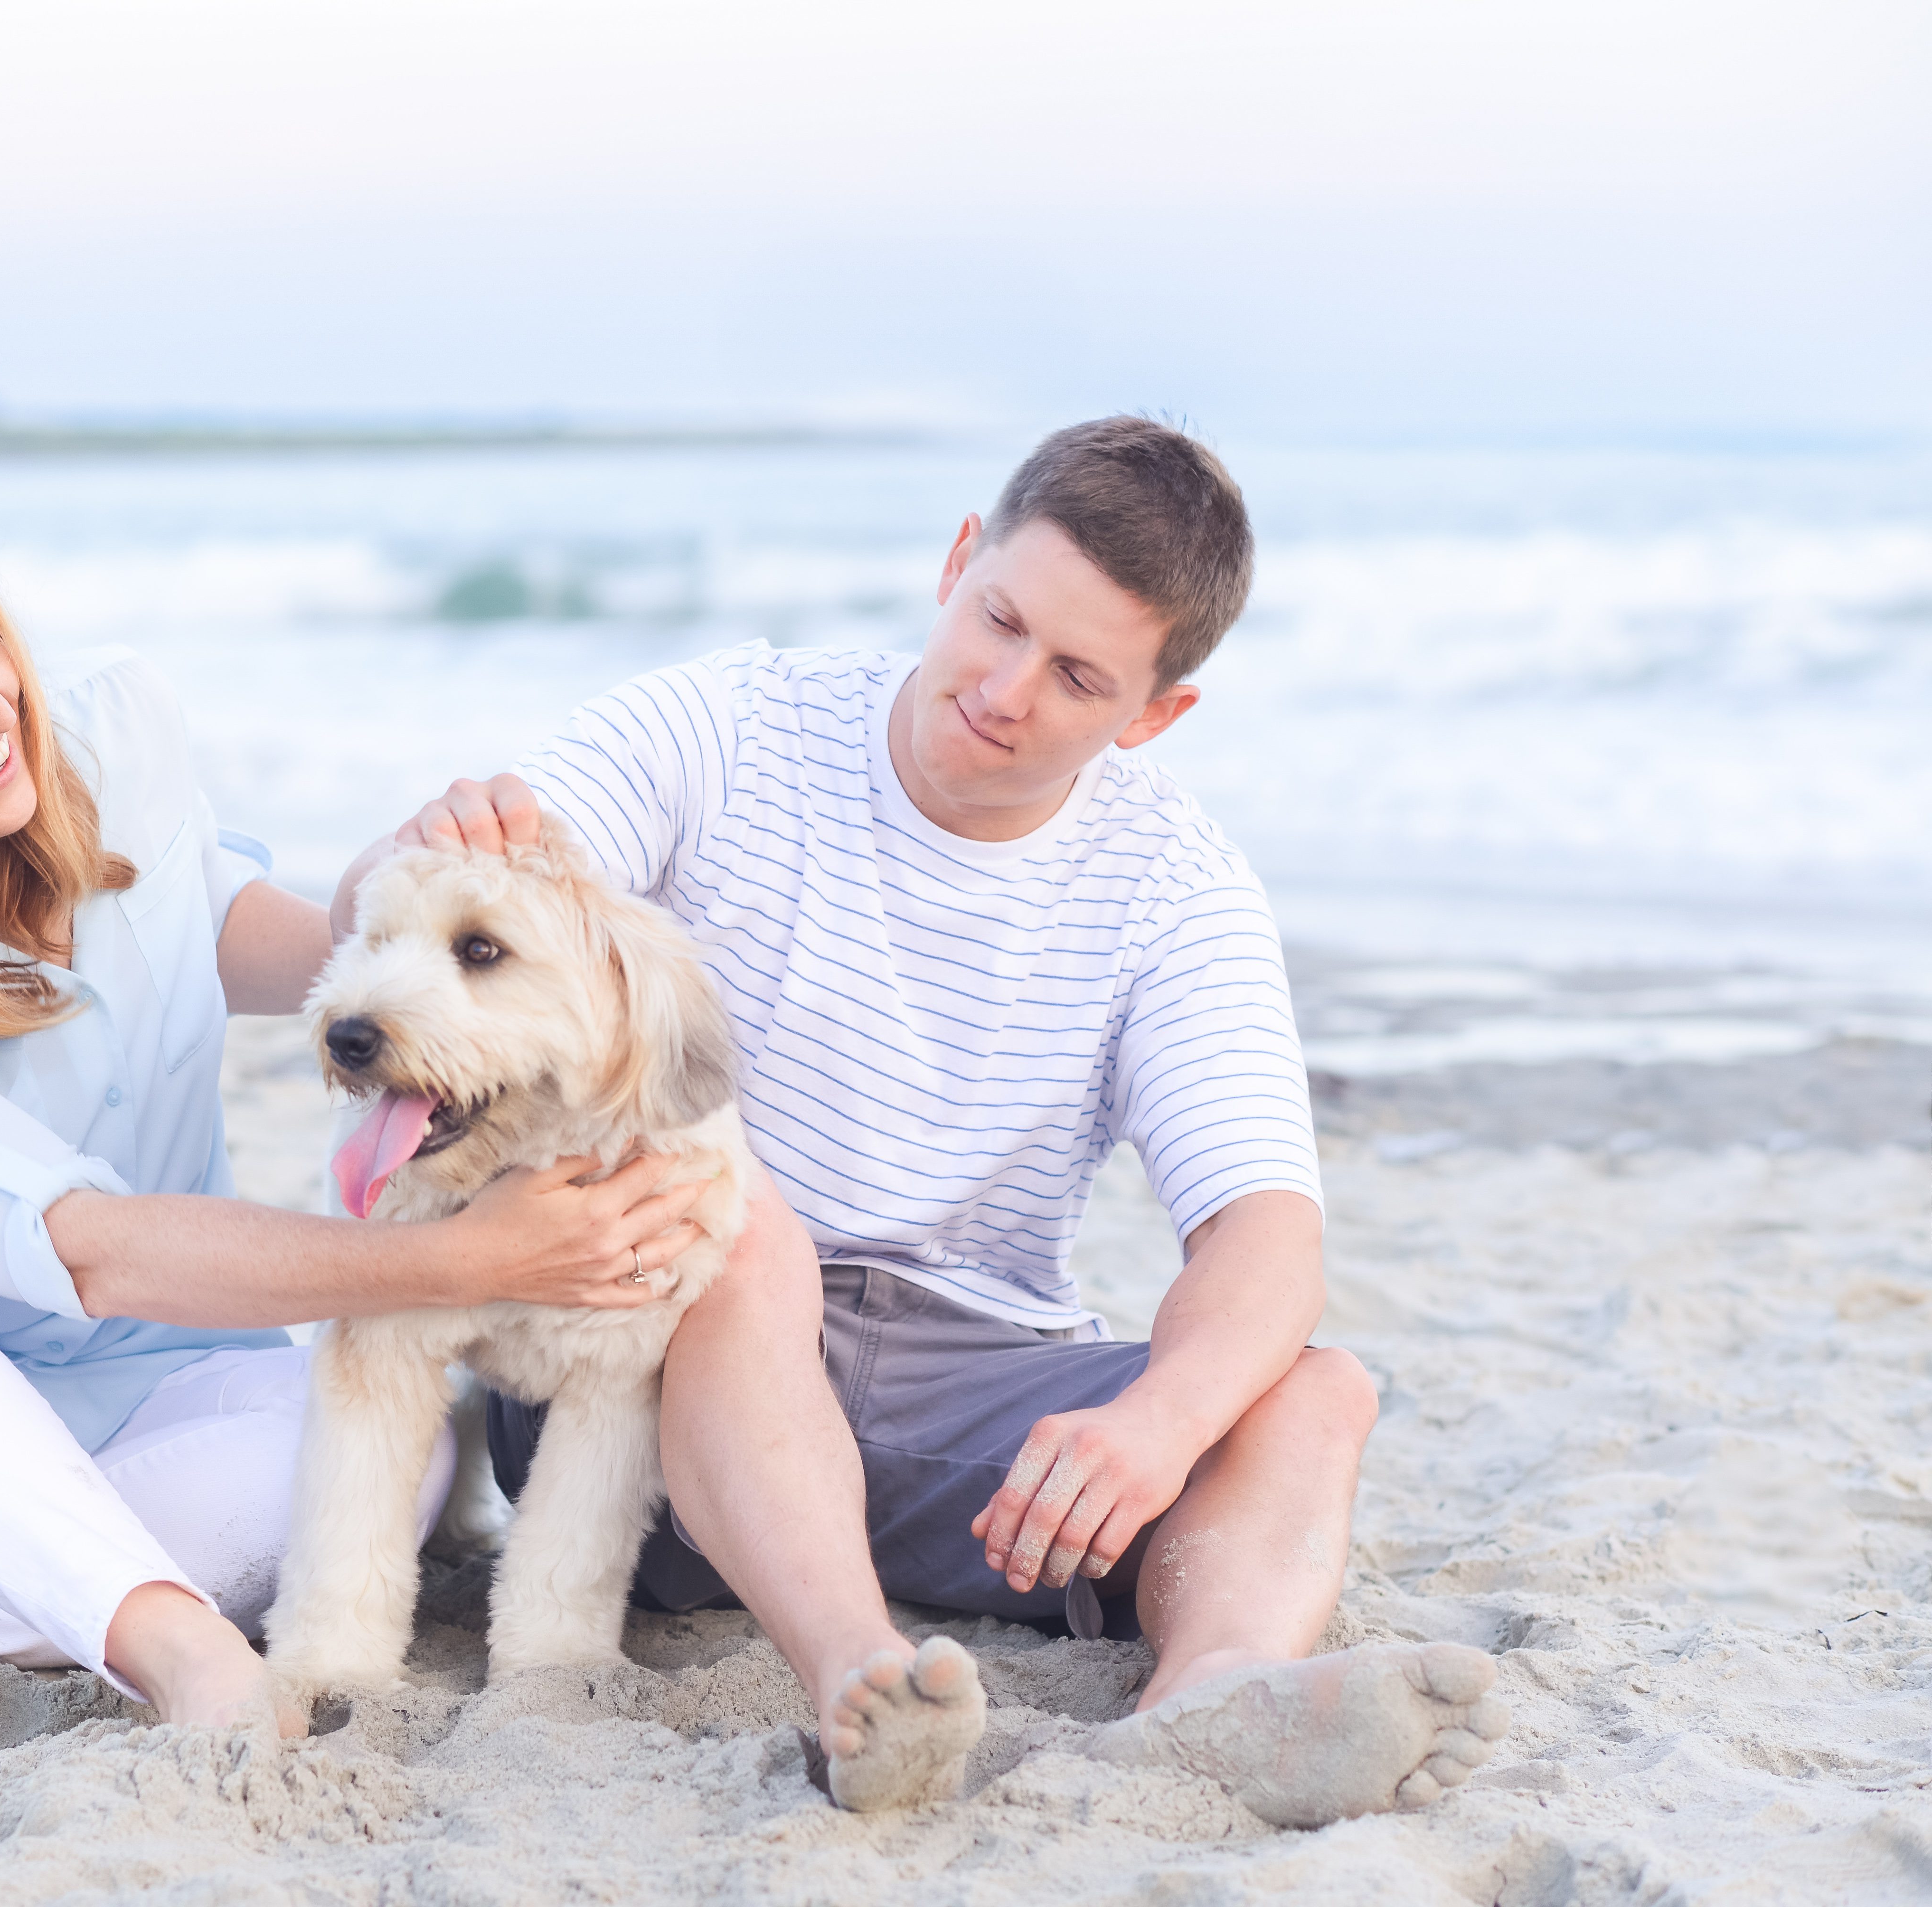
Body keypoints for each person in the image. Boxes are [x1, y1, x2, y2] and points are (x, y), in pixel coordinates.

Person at [348, 418, 1510, 1824]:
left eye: (1078, 675)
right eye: (999, 618)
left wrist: (1158, 1420)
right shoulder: (723, 729)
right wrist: (428, 841)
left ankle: (1209, 1704)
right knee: (744, 1216)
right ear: (960, 560)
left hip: (966, 1379)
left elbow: (1266, 1236)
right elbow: (430, 908)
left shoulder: (1176, 887)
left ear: (1153, 714)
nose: (1005, 690)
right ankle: (864, 1682)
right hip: (648, 1362)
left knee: (1316, 1391)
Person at [0, 484, 711, 1736]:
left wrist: (398, 891)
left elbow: (244, 943)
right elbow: (91, 1249)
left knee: (393, 1463)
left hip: (141, 1394)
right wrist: (460, 1259)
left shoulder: (114, 736)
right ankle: (167, 1639)